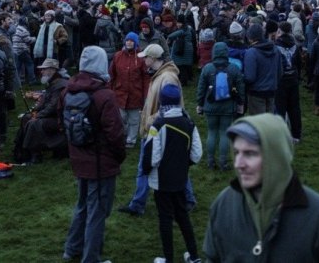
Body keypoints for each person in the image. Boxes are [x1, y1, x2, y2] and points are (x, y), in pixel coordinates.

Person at [203, 113, 319, 262]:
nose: (238, 164)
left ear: (276, 157)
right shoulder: (224, 205)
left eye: (250, 154)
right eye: (236, 153)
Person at [62, 46, 126, 263]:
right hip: (101, 162)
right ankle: (91, 258)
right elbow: (115, 133)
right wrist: (119, 156)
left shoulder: (68, 91)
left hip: (79, 158)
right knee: (98, 211)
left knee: (82, 206)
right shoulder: (105, 96)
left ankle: (72, 248)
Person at [118, 44, 196, 216]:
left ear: (153, 58)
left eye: (146, 57)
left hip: (160, 129)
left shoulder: (167, 78)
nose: (143, 60)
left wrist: (150, 119)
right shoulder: (161, 75)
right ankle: (139, 203)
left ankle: (186, 199)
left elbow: (169, 107)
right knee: (167, 166)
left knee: (158, 166)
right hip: (157, 128)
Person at [144, 84, 203, 263]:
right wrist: (183, 165)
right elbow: (197, 154)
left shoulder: (159, 124)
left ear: (162, 102)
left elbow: (152, 157)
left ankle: (168, 258)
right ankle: (194, 256)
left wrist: (147, 171)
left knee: (165, 219)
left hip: (162, 180)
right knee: (183, 215)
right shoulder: (189, 122)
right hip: (180, 178)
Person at [196, 42, 245, 170]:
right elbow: (241, 88)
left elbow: (201, 89)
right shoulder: (234, 68)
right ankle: (224, 163)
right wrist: (241, 103)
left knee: (211, 132)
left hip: (211, 106)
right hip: (228, 107)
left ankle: (210, 162)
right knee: (224, 133)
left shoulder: (207, 68)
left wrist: (200, 104)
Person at [21, 58, 69, 163]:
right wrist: (34, 111)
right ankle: (28, 152)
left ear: (52, 70)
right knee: (26, 118)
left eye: (44, 69)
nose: (41, 71)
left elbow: (53, 106)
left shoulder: (60, 85)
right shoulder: (53, 82)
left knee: (34, 123)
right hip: (52, 116)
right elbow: (44, 101)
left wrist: (38, 115)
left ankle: (36, 155)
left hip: (60, 119)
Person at [108, 32, 150, 148]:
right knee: (121, 118)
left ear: (136, 43)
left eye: (131, 41)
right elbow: (112, 75)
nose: (129, 42)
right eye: (127, 40)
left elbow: (146, 78)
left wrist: (146, 94)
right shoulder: (118, 56)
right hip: (120, 93)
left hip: (135, 94)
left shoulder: (141, 58)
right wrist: (110, 90)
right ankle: (123, 135)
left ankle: (131, 140)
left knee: (134, 119)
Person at [243, 23, 282, 115]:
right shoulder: (276, 50)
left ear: (250, 37)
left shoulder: (251, 53)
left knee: (258, 124)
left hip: (256, 93)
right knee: (269, 123)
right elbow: (280, 72)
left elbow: (249, 77)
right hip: (271, 91)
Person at [274, 21, 302, 142]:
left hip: (281, 80)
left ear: (280, 31)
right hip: (293, 78)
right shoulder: (295, 45)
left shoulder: (275, 46)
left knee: (280, 108)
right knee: (294, 108)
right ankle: (296, 134)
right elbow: (299, 63)